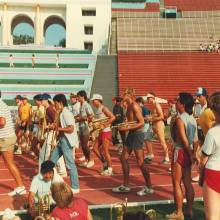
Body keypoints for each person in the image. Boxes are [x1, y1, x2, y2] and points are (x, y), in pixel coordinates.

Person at [112, 89, 153, 196]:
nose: (122, 95)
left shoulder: (134, 106)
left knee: (140, 162)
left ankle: (149, 187)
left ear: (129, 95)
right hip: (132, 134)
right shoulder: (129, 106)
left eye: (124, 94)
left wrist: (126, 128)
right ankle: (126, 185)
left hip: (137, 135)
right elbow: (131, 121)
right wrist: (125, 125)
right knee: (123, 158)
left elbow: (142, 123)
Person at [166, 92, 197, 220]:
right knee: (188, 183)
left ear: (182, 104)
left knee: (176, 182)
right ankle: (190, 211)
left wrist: (190, 154)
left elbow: (183, 140)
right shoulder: (193, 118)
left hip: (180, 151)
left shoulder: (179, 119)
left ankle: (179, 212)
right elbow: (195, 140)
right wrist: (193, 154)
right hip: (188, 151)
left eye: (178, 101)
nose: (176, 103)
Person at [50, 94, 80, 194]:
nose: (54, 106)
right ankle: (50, 183)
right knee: (51, 162)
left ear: (60, 103)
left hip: (67, 141)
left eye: (55, 104)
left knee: (70, 164)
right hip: (62, 140)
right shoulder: (61, 112)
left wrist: (58, 128)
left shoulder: (67, 113)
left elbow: (71, 129)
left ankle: (75, 187)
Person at [0, 92, 26, 196]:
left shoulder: (0, 105)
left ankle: (21, 187)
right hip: (4, 138)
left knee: (9, 163)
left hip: (5, 139)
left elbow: (2, 122)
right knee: (9, 163)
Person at [199, 92, 220, 220]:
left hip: (213, 172)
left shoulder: (212, 132)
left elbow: (203, 160)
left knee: (212, 216)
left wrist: (201, 176)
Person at [39, 93, 67, 177]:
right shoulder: (47, 109)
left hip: (51, 133)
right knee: (55, 152)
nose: (40, 102)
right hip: (50, 132)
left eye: (42, 100)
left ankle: (46, 171)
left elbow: (56, 122)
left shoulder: (50, 109)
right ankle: (61, 170)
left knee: (47, 153)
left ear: (46, 100)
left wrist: (50, 126)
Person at [90, 94, 115, 176]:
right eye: (93, 101)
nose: (93, 102)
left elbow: (112, 117)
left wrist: (105, 125)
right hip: (101, 132)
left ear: (98, 100)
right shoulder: (97, 109)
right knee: (94, 148)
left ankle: (110, 169)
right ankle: (105, 163)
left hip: (106, 131)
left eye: (94, 100)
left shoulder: (104, 108)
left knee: (105, 150)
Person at [145, 92, 170, 164]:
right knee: (147, 138)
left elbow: (161, 116)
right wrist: (150, 117)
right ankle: (150, 155)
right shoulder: (153, 106)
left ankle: (167, 157)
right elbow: (156, 116)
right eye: (147, 98)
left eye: (148, 98)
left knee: (162, 141)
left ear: (152, 98)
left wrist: (151, 119)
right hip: (154, 125)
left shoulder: (157, 105)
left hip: (159, 124)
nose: (147, 99)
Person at [76, 90, 94, 168]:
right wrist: (76, 117)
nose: (77, 98)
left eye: (78, 97)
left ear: (82, 97)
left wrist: (81, 118)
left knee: (85, 145)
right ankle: (86, 160)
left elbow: (91, 116)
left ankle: (90, 160)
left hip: (86, 127)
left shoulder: (86, 105)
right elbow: (80, 115)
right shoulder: (81, 105)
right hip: (81, 127)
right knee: (83, 145)